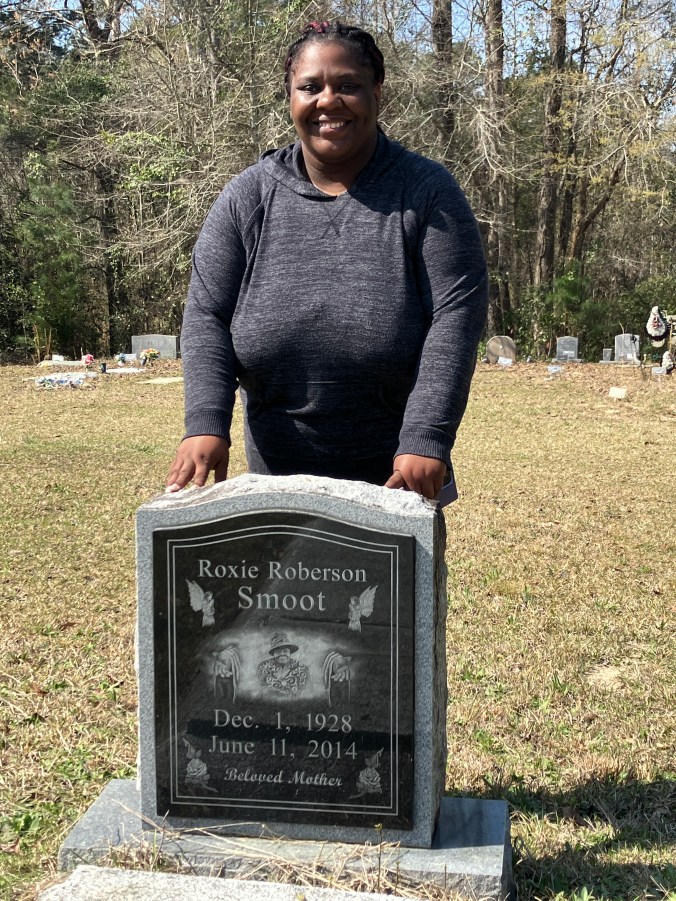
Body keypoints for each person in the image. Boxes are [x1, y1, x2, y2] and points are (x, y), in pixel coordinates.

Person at [166, 21, 487, 500]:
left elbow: (456, 313)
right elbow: (208, 313)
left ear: (379, 93)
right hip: (274, 474)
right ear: (290, 96)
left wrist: (427, 435)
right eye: (310, 87)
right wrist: (205, 421)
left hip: (398, 477)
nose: (328, 101)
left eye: (349, 86)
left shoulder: (427, 193)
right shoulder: (246, 197)